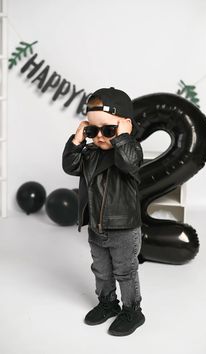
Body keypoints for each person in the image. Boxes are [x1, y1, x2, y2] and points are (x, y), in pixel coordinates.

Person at [62, 87, 145, 336]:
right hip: (97, 227)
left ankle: (132, 310)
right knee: (101, 269)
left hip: (123, 228)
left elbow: (129, 161)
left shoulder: (130, 151)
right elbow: (70, 165)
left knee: (125, 271)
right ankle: (107, 303)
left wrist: (122, 138)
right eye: (92, 130)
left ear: (124, 127)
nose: (100, 137)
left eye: (108, 130)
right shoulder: (90, 154)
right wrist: (77, 140)